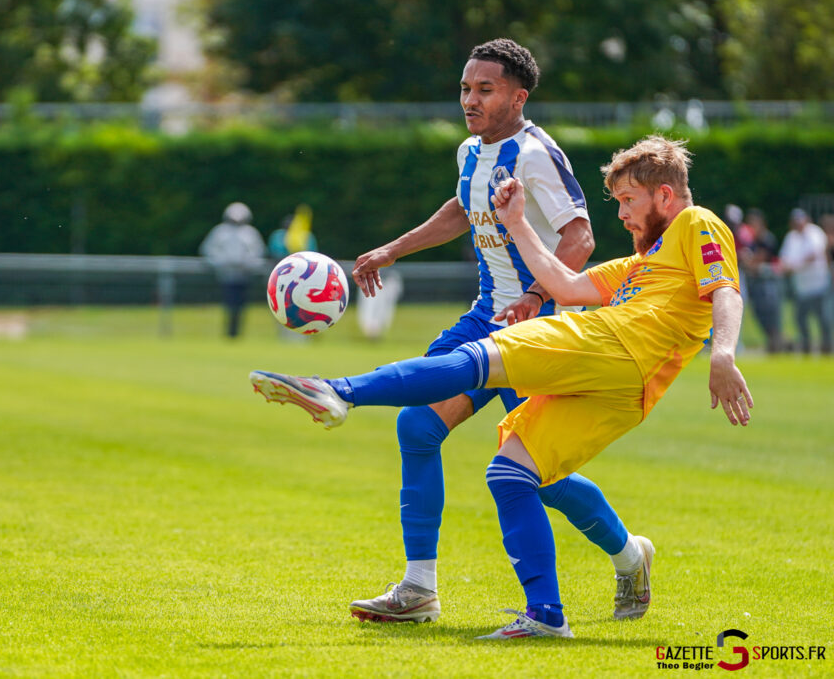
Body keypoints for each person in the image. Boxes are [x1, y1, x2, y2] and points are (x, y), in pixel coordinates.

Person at [250, 136, 753, 639]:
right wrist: (515, 223)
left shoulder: (696, 221)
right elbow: (566, 286)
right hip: (628, 390)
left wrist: (724, 352)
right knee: (512, 473)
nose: (621, 214)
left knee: (477, 361)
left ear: (665, 195)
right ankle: (547, 616)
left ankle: (338, 391)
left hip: (611, 345)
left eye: (628, 201)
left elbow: (725, 289)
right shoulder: (638, 265)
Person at [303, 40, 650, 628]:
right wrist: (391, 250)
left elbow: (581, 237)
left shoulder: (537, 152)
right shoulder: (471, 150)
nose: (470, 100)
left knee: (537, 474)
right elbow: (460, 210)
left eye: (484, 90)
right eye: (466, 88)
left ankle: (625, 555)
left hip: (539, 329)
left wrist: (538, 297)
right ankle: (419, 589)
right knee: (417, 423)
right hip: (484, 316)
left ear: (519, 96)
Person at [199, 202, 266, 339]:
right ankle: (229, 333)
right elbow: (209, 251)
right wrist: (223, 262)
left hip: (244, 276)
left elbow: (258, 252)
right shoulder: (220, 232)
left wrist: (247, 263)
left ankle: (237, 333)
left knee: (241, 307)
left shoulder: (250, 233)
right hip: (225, 276)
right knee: (228, 306)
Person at [778, 208, 832, 354]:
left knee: (823, 318)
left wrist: (794, 265)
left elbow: (813, 255)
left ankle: (827, 347)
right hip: (801, 286)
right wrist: (787, 265)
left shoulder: (815, 233)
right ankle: (807, 347)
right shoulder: (791, 237)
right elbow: (784, 258)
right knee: (800, 318)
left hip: (818, 284)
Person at [739, 209, 784, 353]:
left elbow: (759, 259)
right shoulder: (752, 241)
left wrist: (748, 261)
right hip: (756, 283)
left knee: (771, 314)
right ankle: (772, 344)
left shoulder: (766, 238)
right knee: (760, 315)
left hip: (768, 283)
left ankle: (776, 345)